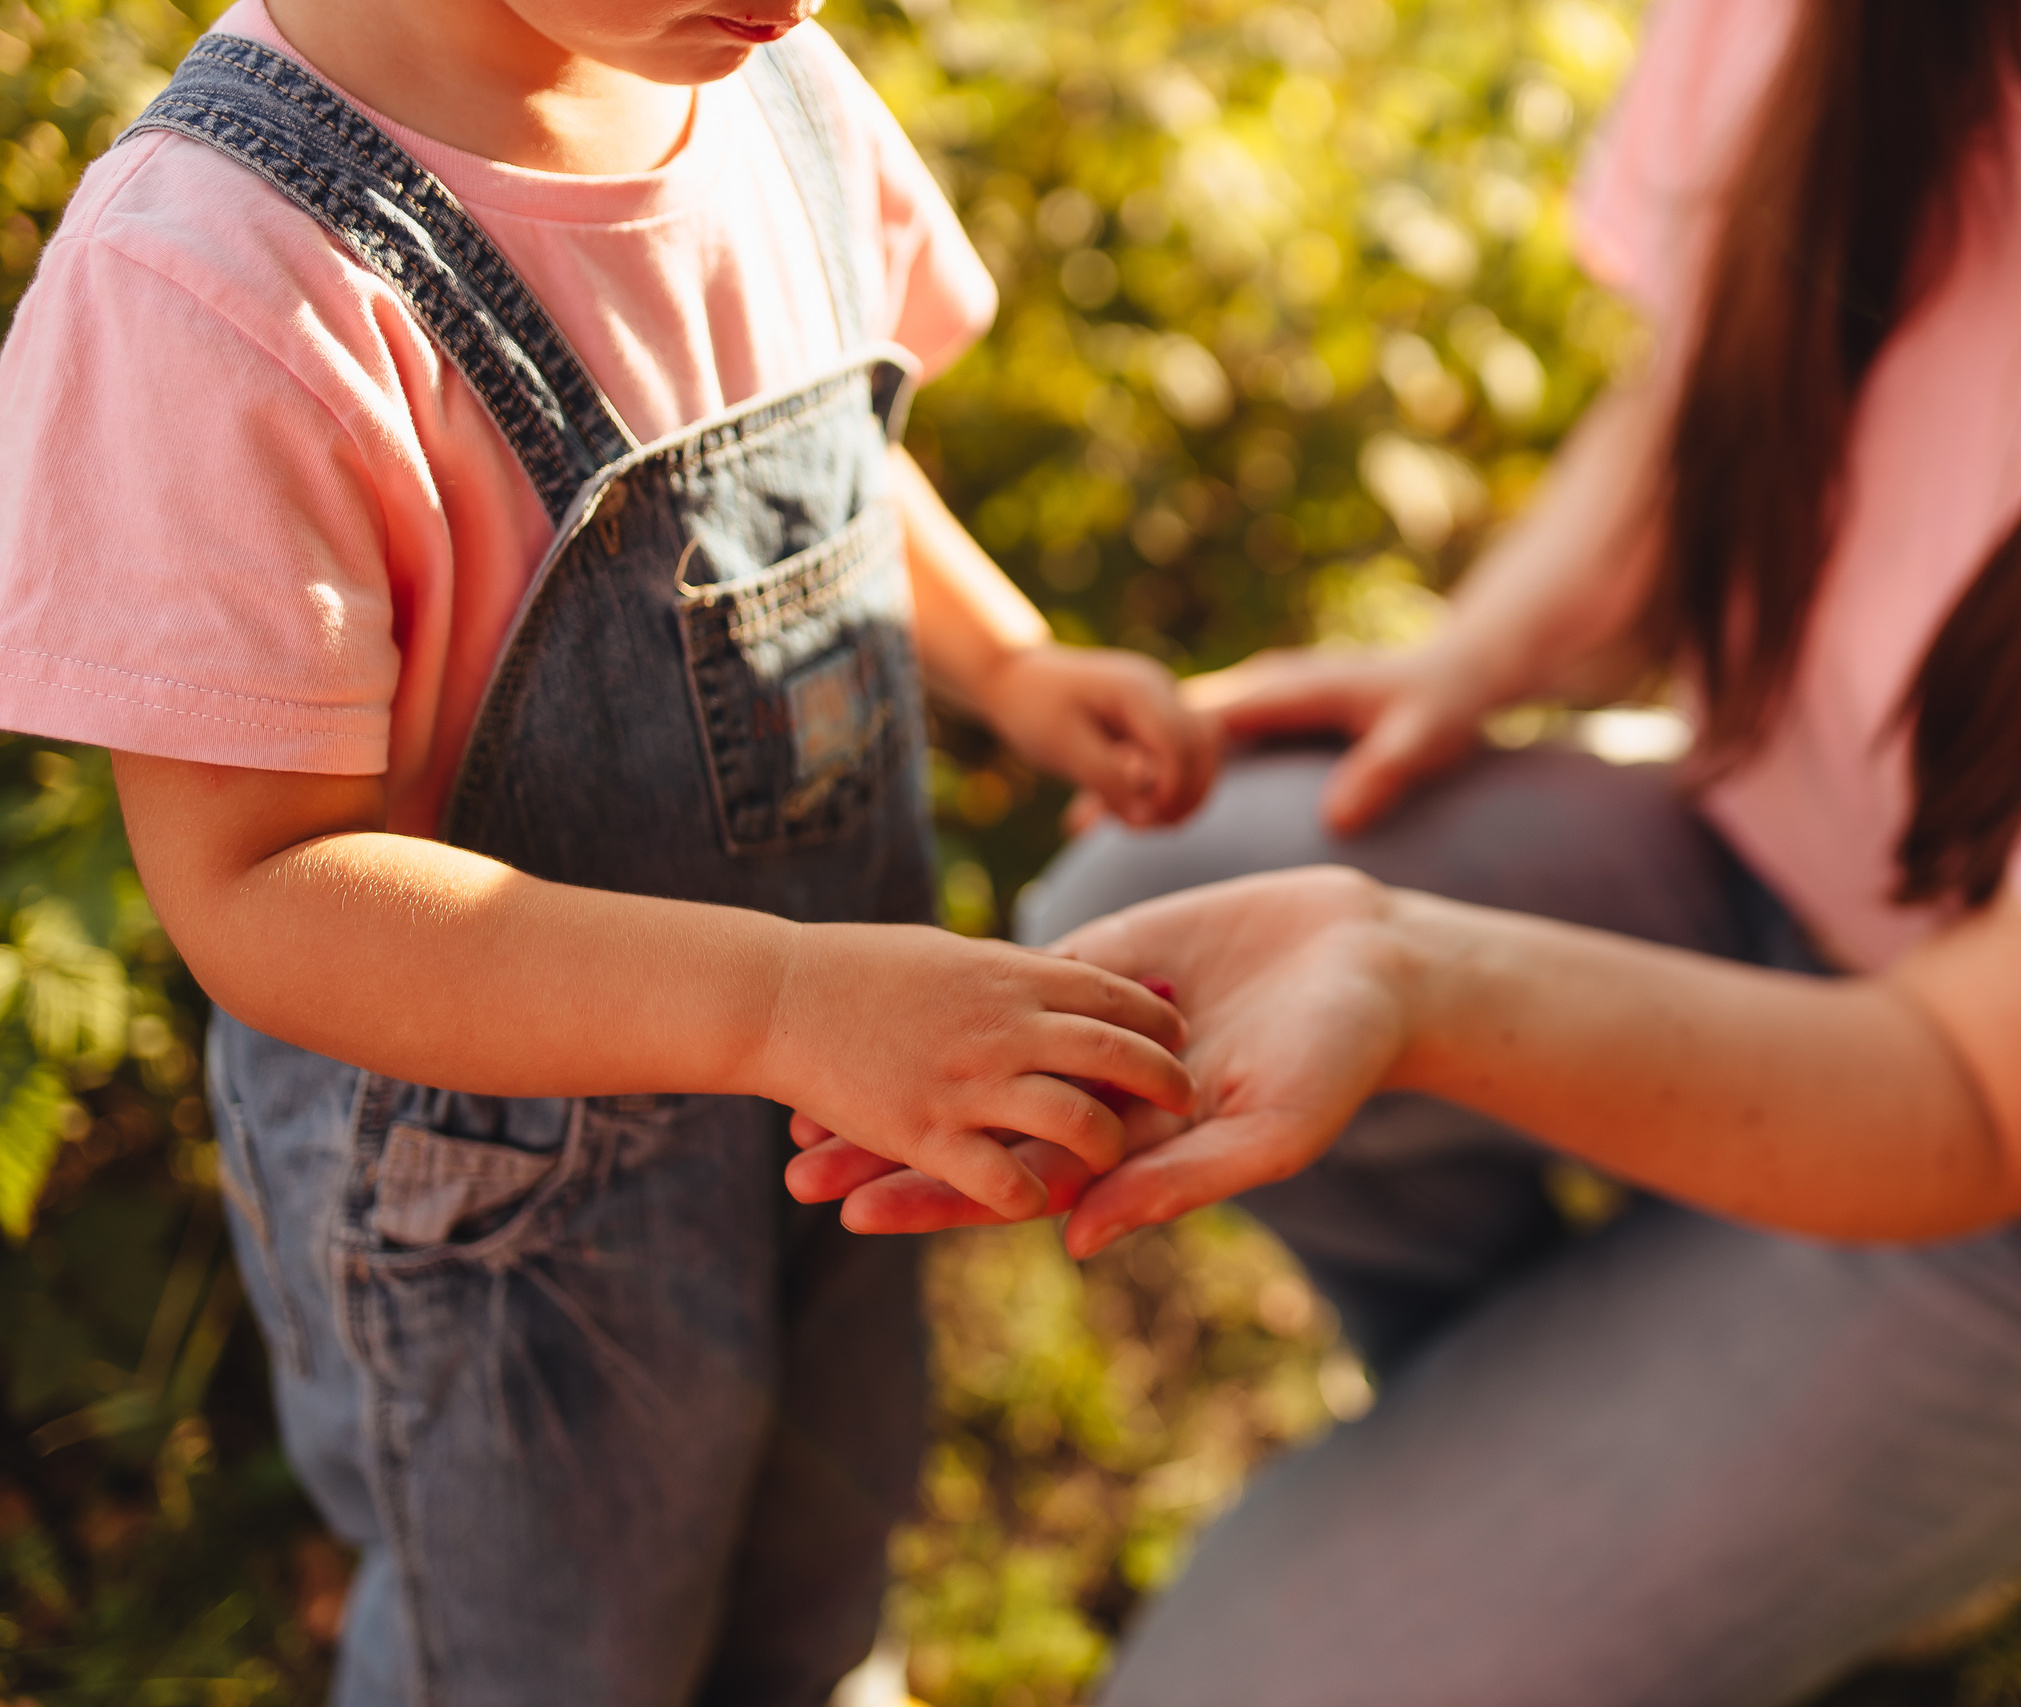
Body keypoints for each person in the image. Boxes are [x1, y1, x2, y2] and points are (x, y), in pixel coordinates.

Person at [789, 1, 2021, 1701]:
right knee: (1149, 913)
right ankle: (1609, 1434)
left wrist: (1413, 976)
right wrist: (1471, 664)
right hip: (1750, 855)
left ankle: (1750, 1494)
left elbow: (1984, 1099)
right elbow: (1724, 366)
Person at [0, 2, 1222, 1702]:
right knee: (551, 1658)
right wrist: (782, 998)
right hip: (513, 1234)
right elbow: (257, 884)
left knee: (819, 1569)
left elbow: (836, 456)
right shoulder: (222, 279)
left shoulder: (764, 84)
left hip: (836, 1104)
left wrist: (1010, 663)